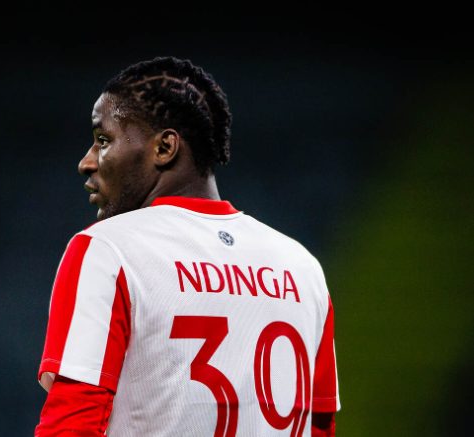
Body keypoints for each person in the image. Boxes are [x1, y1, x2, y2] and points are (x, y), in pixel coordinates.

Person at [35, 56, 340, 436]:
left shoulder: (107, 251)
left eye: (103, 140)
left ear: (165, 147)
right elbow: (319, 427)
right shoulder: (302, 268)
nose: (87, 162)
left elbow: (71, 425)